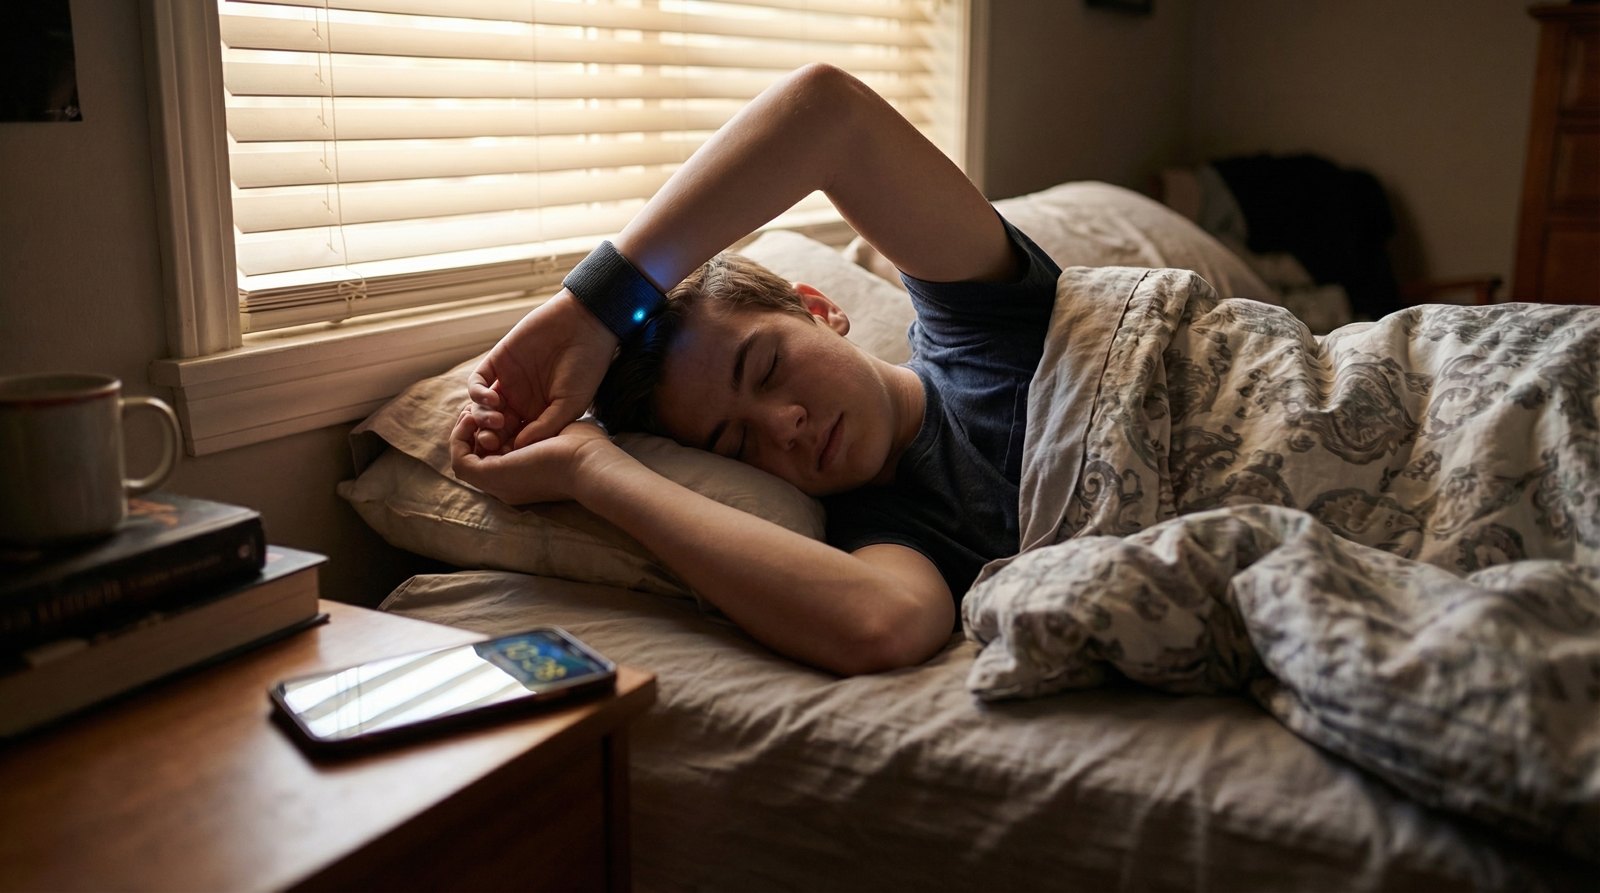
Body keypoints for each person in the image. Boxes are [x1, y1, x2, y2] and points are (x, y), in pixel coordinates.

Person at [452, 63, 1060, 675]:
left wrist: (593, 307)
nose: (784, 425)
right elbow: (883, 625)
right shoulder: (883, 530)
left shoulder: (984, 321)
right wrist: (588, 467)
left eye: (767, 367)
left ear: (819, 309)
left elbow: (830, 112)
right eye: (737, 442)